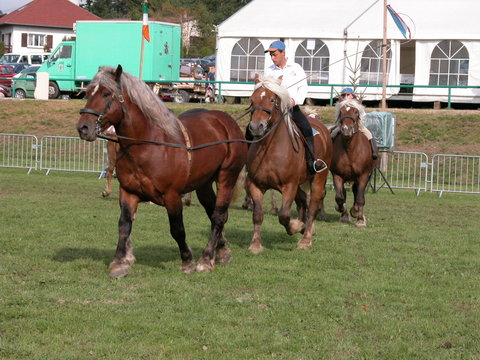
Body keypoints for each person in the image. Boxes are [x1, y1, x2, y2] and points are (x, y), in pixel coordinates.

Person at [254, 40, 324, 174]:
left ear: (283, 53)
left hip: (291, 108)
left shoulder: (296, 68)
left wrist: (294, 100)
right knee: (252, 127)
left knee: (306, 128)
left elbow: (303, 88)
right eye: (270, 55)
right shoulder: (269, 70)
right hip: (272, 110)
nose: (272, 57)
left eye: (274, 54)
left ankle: (311, 162)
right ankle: (249, 161)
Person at [331, 87, 378, 159]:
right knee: (333, 133)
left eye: (347, 94)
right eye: (343, 95)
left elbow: (362, 115)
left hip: (358, 125)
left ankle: (374, 152)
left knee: (369, 134)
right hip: (344, 124)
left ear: (352, 95)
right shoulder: (342, 105)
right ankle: (329, 150)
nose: (345, 96)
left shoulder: (356, 105)